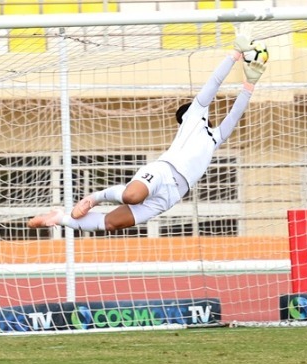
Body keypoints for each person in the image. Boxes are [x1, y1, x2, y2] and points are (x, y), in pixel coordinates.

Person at [27, 36, 267, 232]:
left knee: (111, 224)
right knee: (132, 196)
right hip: (163, 172)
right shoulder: (194, 116)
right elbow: (213, 83)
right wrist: (234, 55)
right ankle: (95, 197)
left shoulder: (215, 138)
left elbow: (235, 115)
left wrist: (250, 84)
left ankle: (59, 218)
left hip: (172, 195)